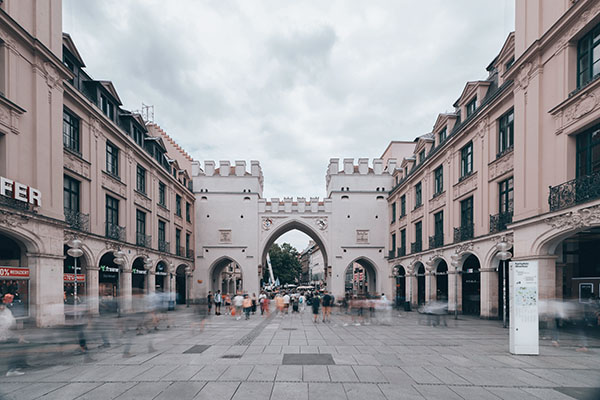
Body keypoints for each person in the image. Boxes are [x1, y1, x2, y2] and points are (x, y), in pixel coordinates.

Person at [0, 300, 24, 376]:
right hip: (4, 335)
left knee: (14, 349)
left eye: (2, 305)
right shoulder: (4, 313)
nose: (2, 307)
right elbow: (8, 323)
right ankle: (11, 369)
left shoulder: (7, 311)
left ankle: (12, 368)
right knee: (13, 350)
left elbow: (11, 323)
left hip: (7, 335)